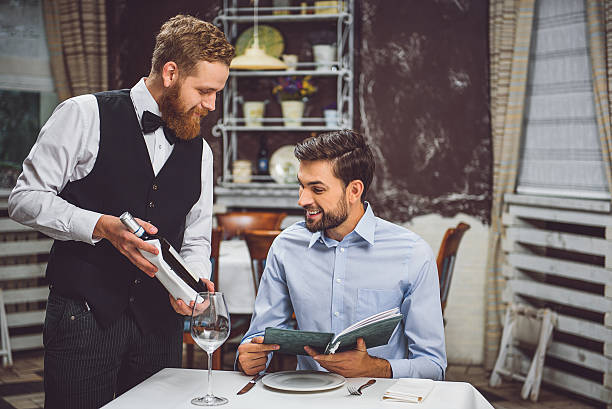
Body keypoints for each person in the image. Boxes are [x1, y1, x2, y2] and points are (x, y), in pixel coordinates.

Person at [8, 15, 234, 408]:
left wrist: (191, 285)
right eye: (205, 90)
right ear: (170, 73)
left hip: (159, 326)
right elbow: (25, 197)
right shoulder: (83, 114)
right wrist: (100, 225)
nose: (212, 105)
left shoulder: (202, 152)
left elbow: (196, 238)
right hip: (84, 317)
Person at [237, 130, 447, 380]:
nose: (302, 200)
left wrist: (376, 368)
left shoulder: (412, 254)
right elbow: (259, 336)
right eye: (301, 186)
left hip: (381, 398)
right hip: (306, 397)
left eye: (317, 189)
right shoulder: (286, 247)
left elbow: (434, 366)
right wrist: (248, 357)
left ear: (354, 191)